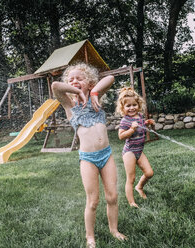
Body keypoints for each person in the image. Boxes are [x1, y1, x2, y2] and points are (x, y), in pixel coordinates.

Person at [51, 62, 127, 248]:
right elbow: (55, 86)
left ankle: (114, 230)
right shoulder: (70, 106)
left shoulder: (96, 98)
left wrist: (93, 92)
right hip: (88, 159)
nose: (74, 81)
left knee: (112, 197)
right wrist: (77, 91)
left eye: (79, 78)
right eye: (71, 79)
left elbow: (110, 79)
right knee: (93, 201)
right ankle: (90, 237)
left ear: (90, 82)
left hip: (106, 155)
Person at [116, 87, 154, 208]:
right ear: (123, 108)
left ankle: (139, 187)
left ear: (139, 104)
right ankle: (131, 202)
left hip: (139, 151)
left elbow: (142, 127)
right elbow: (121, 136)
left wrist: (148, 123)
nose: (131, 108)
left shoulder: (140, 116)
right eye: (128, 106)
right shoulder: (125, 121)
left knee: (149, 173)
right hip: (130, 152)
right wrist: (131, 129)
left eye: (134, 105)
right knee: (130, 178)